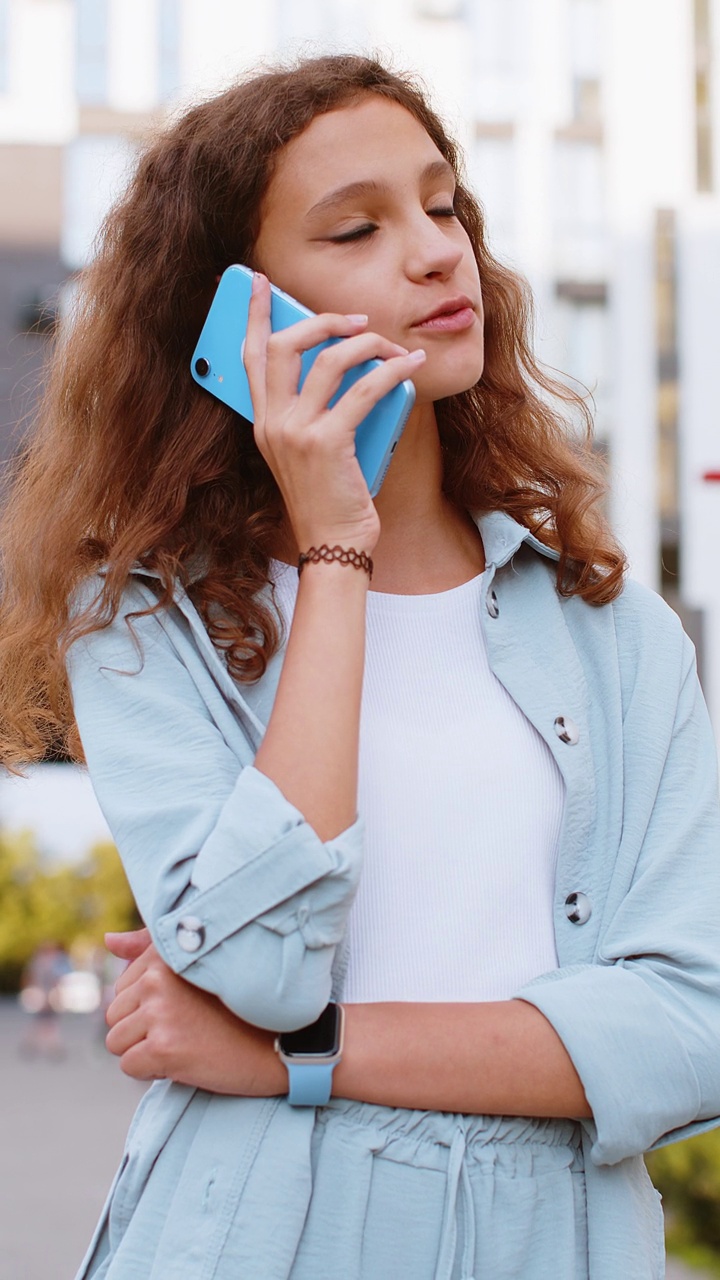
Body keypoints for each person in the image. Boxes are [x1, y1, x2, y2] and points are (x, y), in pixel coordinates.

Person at [1, 52, 719, 1280]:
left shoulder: (614, 627)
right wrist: (335, 546)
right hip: (254, 1233)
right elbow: (264, 964)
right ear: (239, 320)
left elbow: (689, 1031)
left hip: (559, 1242)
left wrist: (300, 1053)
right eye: (356, 228)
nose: (439, 252)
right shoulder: (141, 621)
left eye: (443, 205)